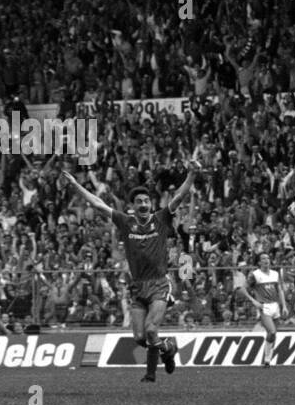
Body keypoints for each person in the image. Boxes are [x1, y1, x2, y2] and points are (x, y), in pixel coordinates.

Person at [61, 158, 200, 382]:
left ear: (151, 203)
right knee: (139, 337)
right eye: (139, 202)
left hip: (158, 283)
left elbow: (180, 196)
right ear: (133, 206)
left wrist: (192, 174)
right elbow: (98, 204)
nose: (144, 204)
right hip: (137, 287)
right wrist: (76, 185)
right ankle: (168, 348)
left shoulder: (161, 218)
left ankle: (151, 374)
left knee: (151, 330)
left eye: (146, 200)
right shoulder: (125, 222)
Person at [236, 253, 289, 368]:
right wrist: (253, 301)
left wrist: (284, 306)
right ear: (259, 262)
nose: (266, 260)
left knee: (273, 335)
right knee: (272, 331)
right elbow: (242, 289)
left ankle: (267, 360)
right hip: (264, 307)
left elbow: (279, 290)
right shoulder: (255, 274)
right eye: (263, 259)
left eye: (268, 258)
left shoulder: (275, 274)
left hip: (276, 306)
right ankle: (267, 359)